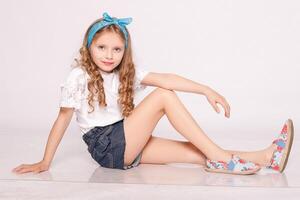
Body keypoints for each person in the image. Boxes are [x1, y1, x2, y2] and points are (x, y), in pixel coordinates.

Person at [12, 12, 294, 175]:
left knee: (195, 153)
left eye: (117, 49)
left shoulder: (125, 72)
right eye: (102, 48)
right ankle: (223, 158)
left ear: (125, 51)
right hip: (107, 145)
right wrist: (45, 161)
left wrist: (206, 89)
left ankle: (267, 156)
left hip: (125, 140)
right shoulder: (79, 76)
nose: (109, 55)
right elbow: (62, 119)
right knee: (163, 96)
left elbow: (167, 77)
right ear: (89, 48)